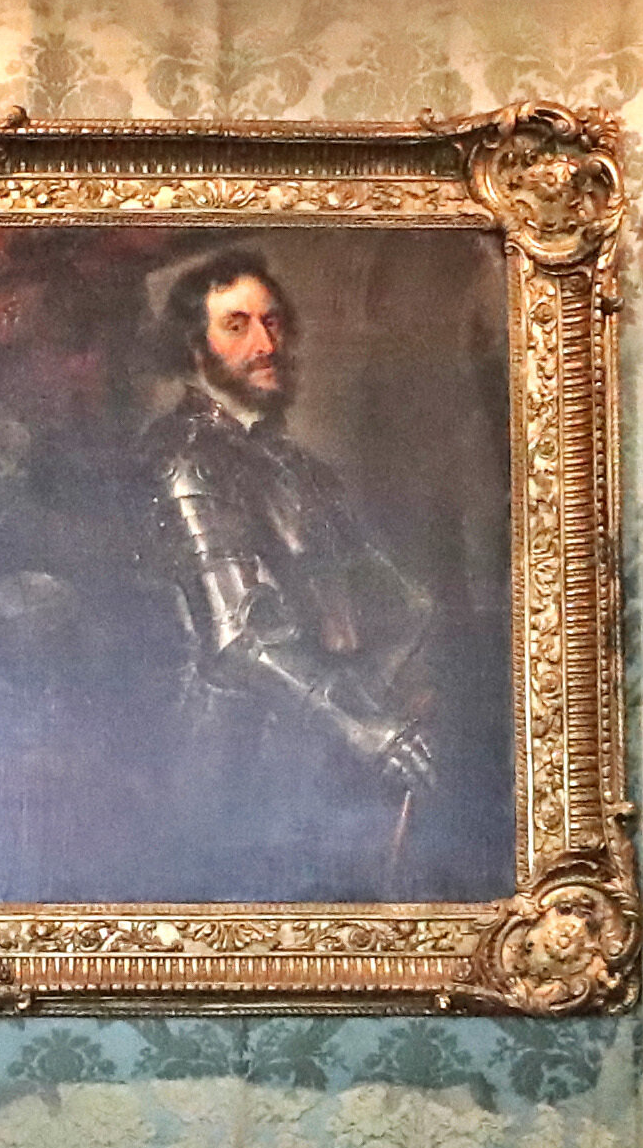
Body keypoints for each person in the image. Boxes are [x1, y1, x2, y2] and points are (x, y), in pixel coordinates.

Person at [133, 245, 453, 898]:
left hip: (325, 755)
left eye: (272, 321)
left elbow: (396, 597)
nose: (265, 342)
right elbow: (242, 639)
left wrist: (414, 674)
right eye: (237, 324)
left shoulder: (301, 468)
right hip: (233, 767)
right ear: (194, 349)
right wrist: (371, 730)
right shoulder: (186, 461)